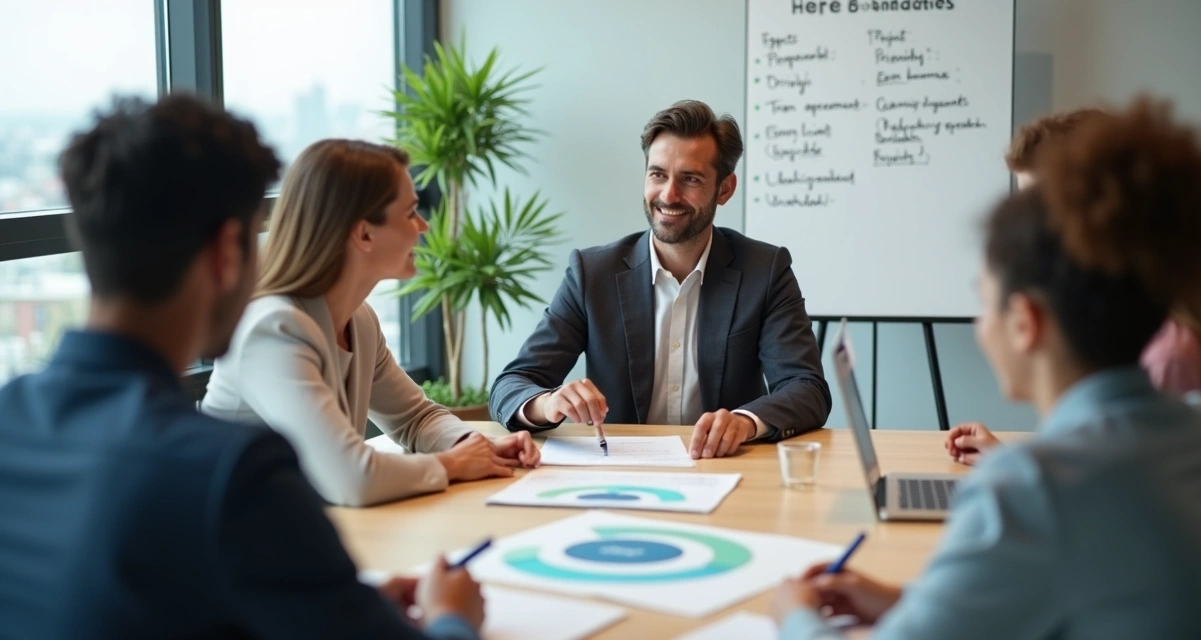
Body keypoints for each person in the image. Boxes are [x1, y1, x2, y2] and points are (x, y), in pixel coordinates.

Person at [0, 94, 486, 639]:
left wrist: (337, 601)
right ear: (228, 249)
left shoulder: (9, 418)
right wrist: (451, 618)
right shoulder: (233, 473)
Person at [772, 96, 1201, 638]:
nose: (981, 325)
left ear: (1025, 322)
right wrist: (908, 602)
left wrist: (792, 614)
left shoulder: (1030, 491)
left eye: (983, 300)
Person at [201, 139, 539, 507]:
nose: (423, 226)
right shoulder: (271, 329)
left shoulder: (359, 319)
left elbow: (414, 417)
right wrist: (454, 464)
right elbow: (351, 478)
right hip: (225, 545)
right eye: (411, 213)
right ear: (363, 233)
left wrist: (474, 446)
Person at [488, 100, 831, 460]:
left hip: (724, 468)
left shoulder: (765, 269)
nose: (668, 195)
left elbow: (806, 388)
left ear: (725, 189)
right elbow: (510, 386)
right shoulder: (592, 273)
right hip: (619, 472)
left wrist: (745, 421)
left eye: (691, 179)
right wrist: (549, 402)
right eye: (658, 174)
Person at [947, 106, 1201, 464]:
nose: (1026, 231)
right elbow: (1103, 466)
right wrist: (1010, 459)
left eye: (1039, 210)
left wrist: (1020, 477)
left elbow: (1138, 492)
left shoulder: (1166, 357)